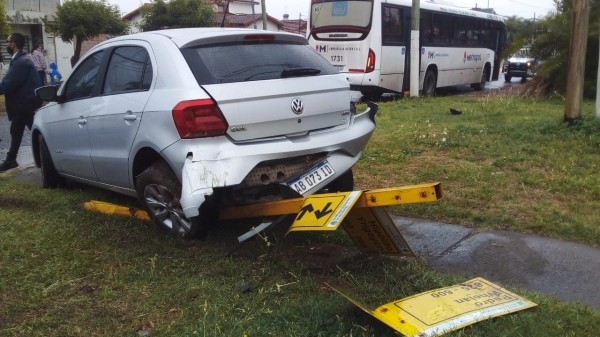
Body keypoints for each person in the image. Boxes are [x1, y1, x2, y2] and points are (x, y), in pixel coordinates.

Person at [0, 33, 43, 172]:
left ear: (14, 44)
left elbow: (8, 84)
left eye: (8, 42)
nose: (6, 45)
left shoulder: (20, 62)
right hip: (24, 104)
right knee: (18, 130)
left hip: (24, 104)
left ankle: (51, 155)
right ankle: (11, 159)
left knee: (36, 131)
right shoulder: (21, 60)